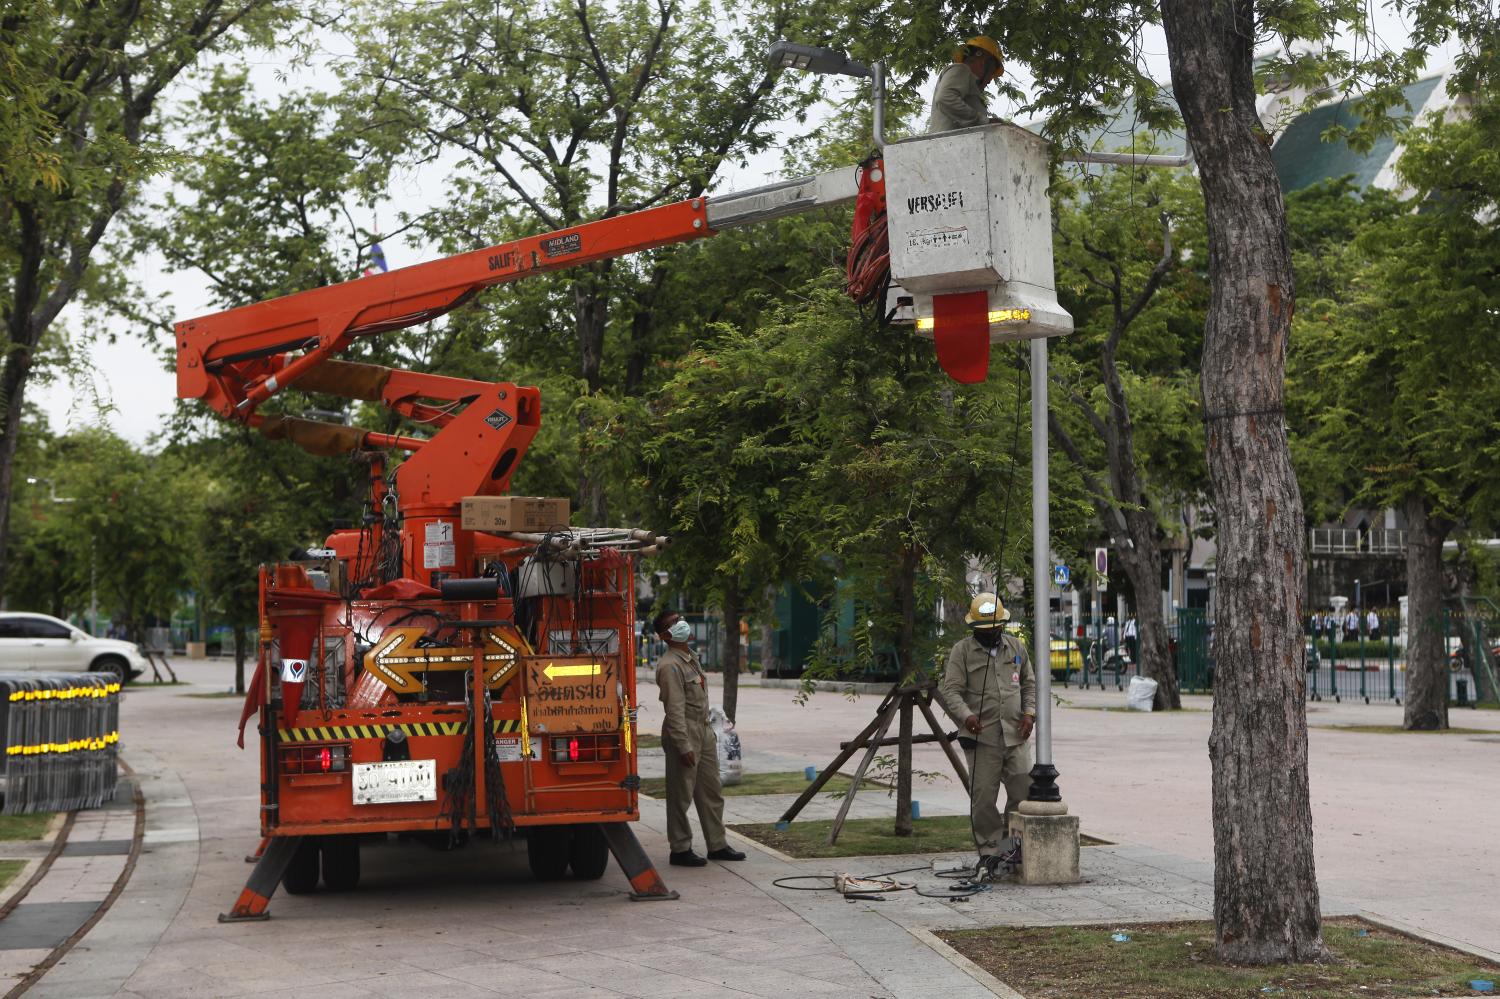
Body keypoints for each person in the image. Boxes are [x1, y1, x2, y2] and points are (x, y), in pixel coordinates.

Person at [937, 592, 1036, 875]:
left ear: (1002, 625)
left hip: (1016, 736)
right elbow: (951, 690)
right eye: (983, 629)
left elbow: (1029, 684)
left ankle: (1010, 849)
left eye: (994, 627)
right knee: (983, 799)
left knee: (1022, 791)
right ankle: (990, 852)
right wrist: (966, 716)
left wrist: (1029, 714)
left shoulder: (1017, 648)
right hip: (982, 738)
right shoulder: (962, 651)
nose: (990, 633)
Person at [651, 610, 744, 867]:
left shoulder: (690, 658)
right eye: (673, 623)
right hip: (685, 732)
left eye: (680, 619)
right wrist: (683, 745)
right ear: (664, 636)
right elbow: (675, 710)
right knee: (681, 794)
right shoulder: (670, 665)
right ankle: (680, 849)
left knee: (711, 791)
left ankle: (718, 844)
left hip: (703, 730)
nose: (681, 624)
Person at [926, 35, 1005, 134]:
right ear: (984, 62)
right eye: (992, 72)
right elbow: (945, 97)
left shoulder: (967, 81)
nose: (989, 80)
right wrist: (984, 121)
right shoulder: (961, 69)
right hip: (949, 145)